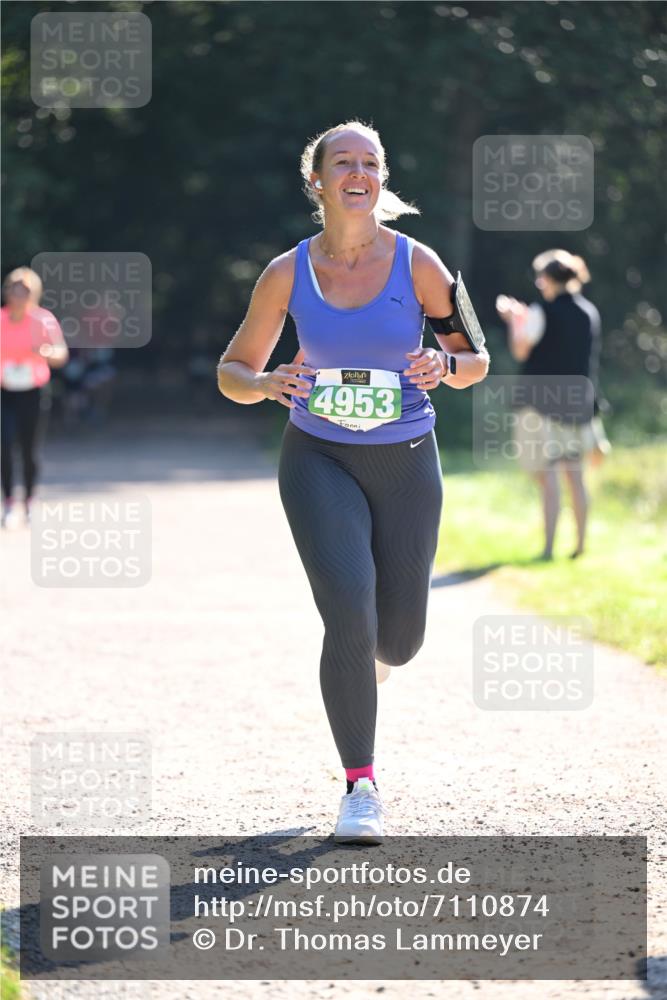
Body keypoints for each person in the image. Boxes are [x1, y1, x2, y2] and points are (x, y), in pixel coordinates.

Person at [217, 120, 490, 843]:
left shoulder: (420, 264)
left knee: (396, 642)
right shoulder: (287, 271)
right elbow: (231, 372)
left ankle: (373, 656)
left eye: (369, 161)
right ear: (318, 181)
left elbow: (476, 358)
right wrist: (269, 381)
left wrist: (445, 366)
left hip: (405, 458)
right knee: (347, 610)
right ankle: (359, 788)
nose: (357, 171)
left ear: (381, 179)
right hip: (317, 456)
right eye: (343, 161)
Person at [496, 249, 610, 560]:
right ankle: (580, 545)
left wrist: (513, 321)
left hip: (542, 405)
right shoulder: (589, 312)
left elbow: (521, 350)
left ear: (547, 279)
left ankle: (548, 548)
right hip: (579, 404)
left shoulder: (540, 311)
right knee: (575, 476)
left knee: (548, 476)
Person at [1, 267, 69, 527]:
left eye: (25, 289)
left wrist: (46, 351)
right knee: (4, 446)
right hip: (5, 391)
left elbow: (61, 355)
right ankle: (8, 501)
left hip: (33, 391)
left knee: (29, 449)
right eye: (14, 288)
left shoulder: (43, 320)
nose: (18, 294)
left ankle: (29, 500)